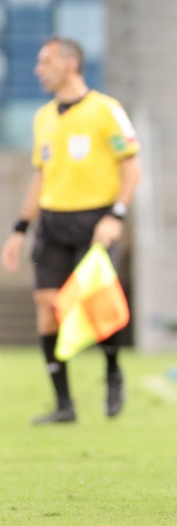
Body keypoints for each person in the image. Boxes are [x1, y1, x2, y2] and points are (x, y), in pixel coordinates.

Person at [1, 37, 141, 424]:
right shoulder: (43, 117)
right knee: (47, 308)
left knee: (95, 307)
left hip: (94, 221)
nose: (37, 69)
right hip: (52, 222)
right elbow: (40, 176)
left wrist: (116, 216)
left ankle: (113, 371)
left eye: (45, 61)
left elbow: (132, 167)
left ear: (70, 63)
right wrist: (19, 228)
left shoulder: (106, 111)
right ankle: (64, 405)